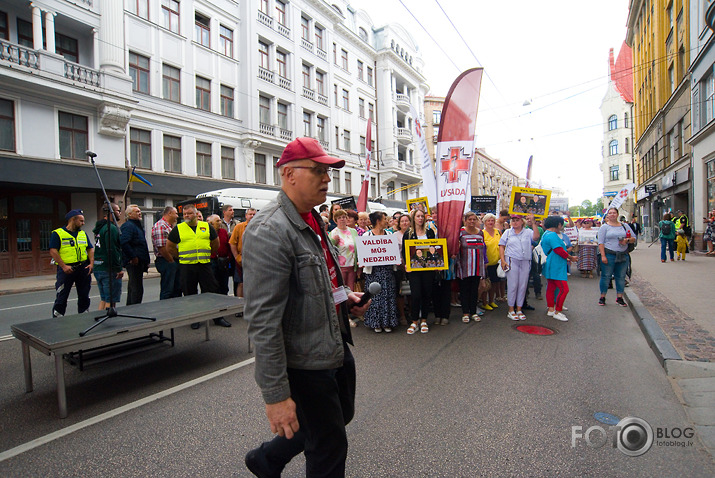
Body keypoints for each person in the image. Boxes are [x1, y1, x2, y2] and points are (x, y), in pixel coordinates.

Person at [242, 137, 369, 478]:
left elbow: (324, 281)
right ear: (288, 174)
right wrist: (276, 396)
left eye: (327, 170)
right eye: (318, 170)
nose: (327, 178)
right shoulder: (270, 229)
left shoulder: (313, 220)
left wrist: (345, 299)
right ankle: (268, 458)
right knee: (329, 446)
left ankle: (266, 459)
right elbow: (263, 321)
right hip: (304, 361)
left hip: (332, 344)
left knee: (340, 413)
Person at [167, 204, 231, 328]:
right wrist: (180, 256)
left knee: (212, 292)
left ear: (196, 214)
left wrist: (207, 253)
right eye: (184, 214)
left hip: (204, 265)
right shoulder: (178, 228)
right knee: (190, 293)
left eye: (189, 213)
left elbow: (215, 244)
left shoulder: (206, 226)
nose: (186, 216)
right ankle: (194, 319)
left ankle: (217, 318)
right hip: (187, 266)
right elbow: (170, 246)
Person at [49, 209, 94, 317]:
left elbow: (90, 249)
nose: (83, 223)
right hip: (66, 270)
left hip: (82, 267)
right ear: (73, 220)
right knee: (62, 295)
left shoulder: (82, 233)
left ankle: (83, 316)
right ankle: (58, 318)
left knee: (84, 295)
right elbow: (53, 250)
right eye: (81, 221)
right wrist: (63, 266)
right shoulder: (58, 233)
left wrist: (91, 264)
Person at [499, 214, 539, 321]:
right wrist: (503, 260)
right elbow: (501, 246)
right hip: (512, 260)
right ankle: (511, 309)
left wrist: (534, 222)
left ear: (522, 221)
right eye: (513, 220)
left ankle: (519, 309)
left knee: (523, 285)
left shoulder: (528, 232)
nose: (515, 222)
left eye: (517, 220)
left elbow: (536, 237)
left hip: (525, 260)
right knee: (513, 285)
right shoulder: (507, 232)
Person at [403, 208, 436, 334]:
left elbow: (435, 247)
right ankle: (414, 321)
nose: (420, 218)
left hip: (428, 268)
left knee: (427, 294)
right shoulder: (408, 233)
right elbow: (405, 251)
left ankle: (424, 320)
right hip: (414, 269)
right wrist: (406, 264)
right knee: (416, 295)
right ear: (414, 218)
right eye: (418, 216)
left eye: (422, 216)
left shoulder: (430, 232)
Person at [541, 215, 577, 322]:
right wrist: (570, 257)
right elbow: (559, 250)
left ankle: (551, 308)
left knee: (551, 287)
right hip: (556, 265)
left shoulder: (546, 234)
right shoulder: (552, 235)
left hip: (551, 263)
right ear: (558, 224)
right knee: (564, 289)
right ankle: (557, 311)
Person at [597, 207, 636, 306]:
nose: (612, 214)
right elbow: (600, 242)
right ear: (607, 215)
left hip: (623, 255)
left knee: (621, 277)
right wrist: (603, 256)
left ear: (617, 214)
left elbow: (633, 238)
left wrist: (626, 240)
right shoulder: (604, 227)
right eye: (610, 213)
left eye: (614, 213)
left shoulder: (625, 226)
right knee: (606, 276)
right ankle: (602, 296)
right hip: (609, 254)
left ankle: (619, 297)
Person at [456, 211, 487, 323]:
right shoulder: (461, 232)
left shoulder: (480, 233)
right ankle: (465, 312)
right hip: (464, 267)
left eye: (474, 219)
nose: (472, 221)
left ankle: (473, 312)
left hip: (477, 267)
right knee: (464, 290)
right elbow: (456, 248)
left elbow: (483, 250)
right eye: (470, 219)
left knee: (475, 290)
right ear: (465, 220)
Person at [93, 204, 123, 311]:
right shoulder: (111, 229)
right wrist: (118, 268)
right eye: (118, 210)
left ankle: (99, 318)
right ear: (111, 212)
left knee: (104, 299)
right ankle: (109, 322)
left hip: (98, 267)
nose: (120, 213)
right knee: (111, 300)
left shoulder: (100, 228)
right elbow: (112, 250)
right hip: (108, 268)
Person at [120, 204, 150, 305]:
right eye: (137, 211)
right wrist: (133, 257)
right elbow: (124, 242)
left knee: (134, 287)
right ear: (129, 214)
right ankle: (134, 308)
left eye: (139, 211)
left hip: (139, 262)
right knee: (136, 289)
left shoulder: (137, 226)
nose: (139, 213)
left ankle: (131, 307)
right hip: (134, 262)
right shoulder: (128, 226)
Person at [151, 206, 182, 300]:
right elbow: (162, 247)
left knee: (177, 289)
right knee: (168, 289)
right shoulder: (161, 226)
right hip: (166, 261)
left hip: (174, 260)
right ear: (169, 213)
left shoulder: (170, 226)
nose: (177, 216)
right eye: (176, 213)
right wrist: (171, 260)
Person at [328, 209, 359, 291]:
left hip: (352, 265)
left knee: (351, 289)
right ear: (335, 220)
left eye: (344, 217)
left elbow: (358, 247)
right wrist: (333, 241)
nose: (342, 219)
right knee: (341, 290)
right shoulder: (333, 233)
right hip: (340, 266)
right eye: (339, 218)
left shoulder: (353, 231)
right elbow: (328, 249)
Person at [229, 208, 257, 297]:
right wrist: (237, 257)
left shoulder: (262, 226)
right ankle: (240, 304)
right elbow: (232, 243)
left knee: (255, 283)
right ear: (246, 216)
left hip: (256, 260)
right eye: (250, 214)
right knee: (241, 283)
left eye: (254, 214)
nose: (252, 216)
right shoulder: (239, 227)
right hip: (242, 259)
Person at [480, 213, 504, 308]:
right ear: (484, 222)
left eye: (492, 220)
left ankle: (491, 301)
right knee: (486, 284)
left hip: (497, 262)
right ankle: (484, 303)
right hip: (486, 263)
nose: (490, 222)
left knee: (495, 282)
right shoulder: (481, 233)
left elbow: (502, 245)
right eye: (488, 220)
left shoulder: (498, 231)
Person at [393, 213, 412, 325]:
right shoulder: (395, 235)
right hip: (399, 267)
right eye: (402, 221)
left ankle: (411, 312)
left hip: (412, 267)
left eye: (407, 221)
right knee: (400, 291)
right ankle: (402, 315)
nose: (405, 223)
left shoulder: (413, 234)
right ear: (399, 224)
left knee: (411, 291)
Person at [207, 214, 232, 295]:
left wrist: (229, 257)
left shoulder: (223, 232)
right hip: (213, 261)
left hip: (224, 261)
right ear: (211, 223)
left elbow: (228, 245)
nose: (220, 222)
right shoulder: (207, 233)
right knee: (214, 284)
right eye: (217, 221)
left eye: (220, 220)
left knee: (224, 284)